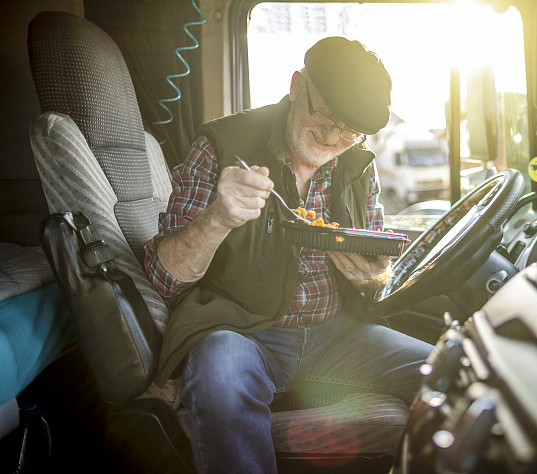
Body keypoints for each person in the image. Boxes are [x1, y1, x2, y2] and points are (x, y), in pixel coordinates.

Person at [143, 36, 433, 473]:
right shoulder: (221, 144)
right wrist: (218, 218)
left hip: (337, 332)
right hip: (240, 329)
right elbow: (163, 278)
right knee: (220, 372)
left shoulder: (358, 164)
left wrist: (370, 279)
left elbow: (378, 279)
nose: (332, 137)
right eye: (325, 115)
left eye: (349, 129)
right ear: (296, 85)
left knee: (451, 372)